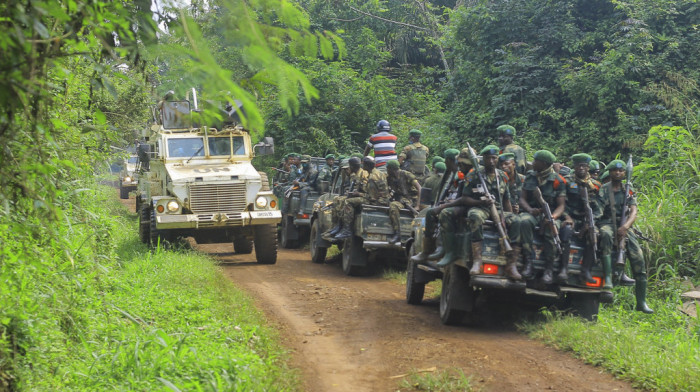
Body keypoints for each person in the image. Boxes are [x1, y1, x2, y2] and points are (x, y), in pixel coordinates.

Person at [597, 160, 653, 313]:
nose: (618, 173)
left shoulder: (628, 189)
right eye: (614, 170)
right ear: (610, 172)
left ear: (625, 173)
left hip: (625, 226)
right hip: (607, 223)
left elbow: (634, 212)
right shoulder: (604, 190)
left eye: (621, 171)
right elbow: (599, 211)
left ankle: (641, 302)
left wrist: (625, 226)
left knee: (638, 259)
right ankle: (607, 279)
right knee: (606, 235)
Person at [463, 145, 522, 280]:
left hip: (499, 209)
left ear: (497, 160)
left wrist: (509, 216)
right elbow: (465, 197)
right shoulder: (474, 174)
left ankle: (511, 264)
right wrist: (480, 202)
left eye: (494, 158)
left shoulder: (502, 176)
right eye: (488, 158)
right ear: (483, 159)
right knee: (475, 216)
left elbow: (506, 199)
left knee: (518, 221)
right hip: (480, 207)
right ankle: (478, 260)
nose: (491, 161)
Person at [519, 150, 568, 283]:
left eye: (536, 161)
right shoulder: (530, 176)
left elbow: (561, 205)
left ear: (544, 164)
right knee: (523, 222)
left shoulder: (558, 181)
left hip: (550, 214)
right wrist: (529, 209)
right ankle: (528, 262)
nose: (533, 163)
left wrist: (552, 217)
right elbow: (522, 199)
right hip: (533, 212)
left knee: (551, 230)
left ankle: (549, 269)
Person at [409, 149, 462, 264]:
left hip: (456, 204)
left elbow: (459, 193)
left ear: (448, 160)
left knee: (431, 213)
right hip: (452, 203)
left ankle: (431, 249)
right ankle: (432, 250)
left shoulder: (458, 174)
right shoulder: (452, 174)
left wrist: (447, 203)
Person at [562, 153, 602, 284]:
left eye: (584, 166)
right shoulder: (566, 181)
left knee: (593, 234)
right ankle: (564, 269)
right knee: (566, 232)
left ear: (588, 167)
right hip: (570, 217)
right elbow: (560, 203)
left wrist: (590, 222)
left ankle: (586, 271)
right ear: (574, 166)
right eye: (578, 166)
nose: (581, 168)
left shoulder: (595, 185)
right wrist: (567, 216)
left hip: (586, 219)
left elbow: (599, 209)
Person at [334, 156, 390, 240]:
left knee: (348, 202)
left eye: (363, 164)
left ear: (367, 166)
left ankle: (347, 230)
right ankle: (340, 226)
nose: (362, 166)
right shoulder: (379, 173)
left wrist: (358, 193)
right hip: (383, 199)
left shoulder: (371, 178)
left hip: (377, 202)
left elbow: (371, 197)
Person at [386, 159, 422, 244]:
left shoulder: (406, 174)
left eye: (387, 169)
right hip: (401, 200)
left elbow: (420, 188)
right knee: (393, 206)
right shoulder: (390, 178)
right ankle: (397, 234)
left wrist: (418, 205)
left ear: (391, 169)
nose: (387, 171)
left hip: (412, 199)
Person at [323, 158, 360, 237]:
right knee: (337, 199)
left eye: (347, 169)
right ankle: (337, 225)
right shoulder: (349, 176)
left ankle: (344, 228)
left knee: (344, 201)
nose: (346, 171)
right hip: (353, 195)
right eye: (345, 170)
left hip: (360, 196)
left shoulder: (355, 175)